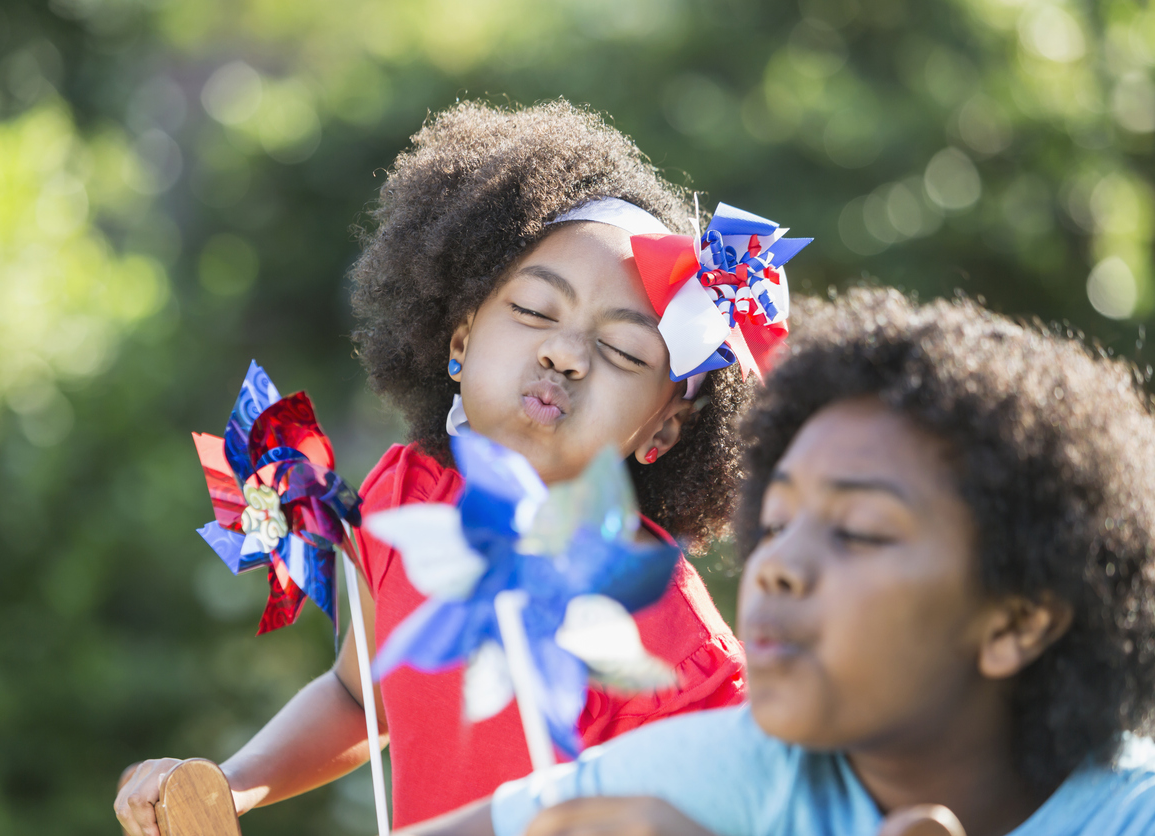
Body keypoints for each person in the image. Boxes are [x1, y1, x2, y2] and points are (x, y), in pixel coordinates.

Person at [116, 100, 767, 834]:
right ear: (459, 339)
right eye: (533, 311)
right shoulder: (401, 501)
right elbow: (362, 699)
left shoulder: (676, 645)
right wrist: (227, 788)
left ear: (664, 431)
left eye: (622, 351)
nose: (565, 354)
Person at [398, 288, 1155, 836]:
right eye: (779, 520)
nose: (775, 567)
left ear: (1015, 623)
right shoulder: (737, 767)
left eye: (858, 529)